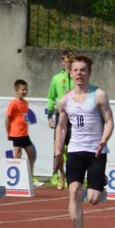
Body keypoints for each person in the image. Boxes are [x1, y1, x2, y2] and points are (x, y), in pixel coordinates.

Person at [55, 55, 114, 228]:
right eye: (75, 70)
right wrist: (57, 151)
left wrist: (103, 140)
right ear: (70, 73)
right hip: (75, 150)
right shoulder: (64, 101)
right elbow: (62, 127)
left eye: (83, 70)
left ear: (89, 73)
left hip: (96, 151)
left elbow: (109, 121)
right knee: (73, 192)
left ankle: (100, 181)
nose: (79, 73)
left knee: (93, 199)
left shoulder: (99, 95)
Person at [46, 51, 75, 190]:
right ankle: (60, 174)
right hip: (61, 116)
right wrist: (50, 116)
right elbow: (51, 97)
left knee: (73, 149)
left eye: (71, 59)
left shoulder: (78, 77)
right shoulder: (56, 78)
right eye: (66, 60)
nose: (68, 62)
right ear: (62, 62)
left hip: (75, 117)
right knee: (59, 148)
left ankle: (71, 176)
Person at [5, 79, 39, 186]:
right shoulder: (13, 103)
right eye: (22, 89)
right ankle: (16, 180)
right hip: (16, 134)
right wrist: (9, 133)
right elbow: (7, 119)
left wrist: (27, 122)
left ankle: (30, 177)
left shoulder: (25, 103)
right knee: (17, 155)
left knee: (31, 154)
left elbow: (24, 116)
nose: (25, 91)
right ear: (17, 90)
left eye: (26, 89)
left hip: (25, 134)